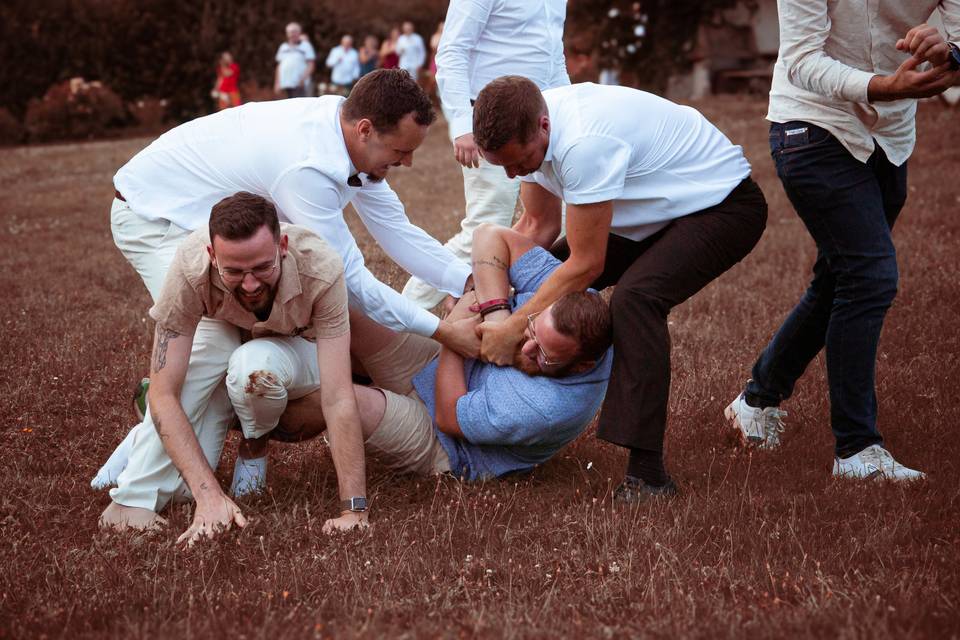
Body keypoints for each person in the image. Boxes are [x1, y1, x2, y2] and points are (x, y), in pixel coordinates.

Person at [92, 70, 478, 498]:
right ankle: (142, 491)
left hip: (203, 216)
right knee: (214, 346)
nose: (407, 162)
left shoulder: (348, 135)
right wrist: (445, 332)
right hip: (153, 215)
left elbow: (396, 230)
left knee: (230, 345)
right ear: (365, 129)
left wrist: (467, 279)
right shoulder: (307, 168)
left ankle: (144, 455)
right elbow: (352, 281)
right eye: (401, 151)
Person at [472, 76, 768, 501]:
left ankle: (648, 476)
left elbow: (587, 264)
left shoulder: (583, 144)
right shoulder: (529, 127)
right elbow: (538, 227)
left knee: (636, 299)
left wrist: (514, 327)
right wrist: (482, 294)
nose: (514, 173)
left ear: (543, 127)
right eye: (503, 166)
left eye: (522, 161)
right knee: (547, 271)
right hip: (656, 206)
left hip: (722, 205)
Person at [723, 3, 960, 480]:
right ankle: (857, 450)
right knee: (869, 277)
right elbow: (803, 59)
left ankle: (756, 400)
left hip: (890, 135)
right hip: (812, 123)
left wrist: (951, 53)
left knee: (840, 279)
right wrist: (883, 86)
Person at [248, 223, 612, 486]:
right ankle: (248, 337)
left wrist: (454, 332)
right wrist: (499, 318)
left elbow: (449, 416)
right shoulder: (573, 306)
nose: (526, 348)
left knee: (342, 399)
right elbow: (489, 236)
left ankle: (248, 422)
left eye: (542, 355)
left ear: (582, 365)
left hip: (446, 442)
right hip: (439, 367)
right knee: (343, 311)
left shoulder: (542, 407)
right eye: (530, 331)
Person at [99, 193, 370, 541]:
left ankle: (157, 448)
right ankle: (130, 500)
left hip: (297, 349)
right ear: (212, 256)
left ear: (282, 246)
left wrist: (354, 508)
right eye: (234, 272)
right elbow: (163, 389)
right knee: (184, 489)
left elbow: (337, 396)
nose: (251, 284)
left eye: (262, 268)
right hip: (227, 333)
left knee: (251, 366)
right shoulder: (189, 265)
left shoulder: (321, 266)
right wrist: (208, 496)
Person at [402, 0, 571, 310]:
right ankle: (406, 312)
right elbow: (451, 51)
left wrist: (570, 108)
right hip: (493, 124)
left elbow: (552, 56)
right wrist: (463, 124)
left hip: (543, 126)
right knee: (484, 225)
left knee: (561, 222)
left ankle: (523, 312)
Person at [275, 22, 316, 98]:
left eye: (294, 32)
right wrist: (277, 83)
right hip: (286, 84)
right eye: (289, 32)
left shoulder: (306, 46)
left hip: (300, 84)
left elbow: (311, 64)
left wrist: (303, 79)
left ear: (299, 33)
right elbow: (279, 66)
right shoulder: (283, 47)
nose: (292, 34)